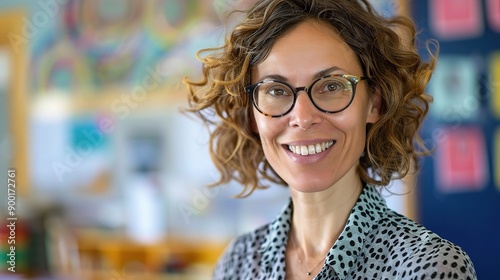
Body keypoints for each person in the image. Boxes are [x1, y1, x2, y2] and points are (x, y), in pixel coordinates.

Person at [184, 0, 477, 279]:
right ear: (251, 116)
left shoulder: (429, 267)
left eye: (332, 85)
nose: (302, 116)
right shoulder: (237, 263)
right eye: (275, 90)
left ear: (374, 103)